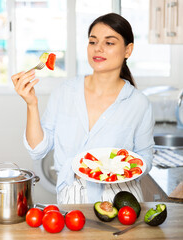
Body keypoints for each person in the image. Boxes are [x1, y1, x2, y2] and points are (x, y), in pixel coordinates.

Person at [11, 13, 154, 204]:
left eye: (109, 43)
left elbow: (145, 157)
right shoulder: (64, 92)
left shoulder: (139, 103)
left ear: (128, 50)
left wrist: (116, 170)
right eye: (93, 42)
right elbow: (38, 149)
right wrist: (31, 104)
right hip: (73, 199)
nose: (98, 49)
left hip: (121, 201)